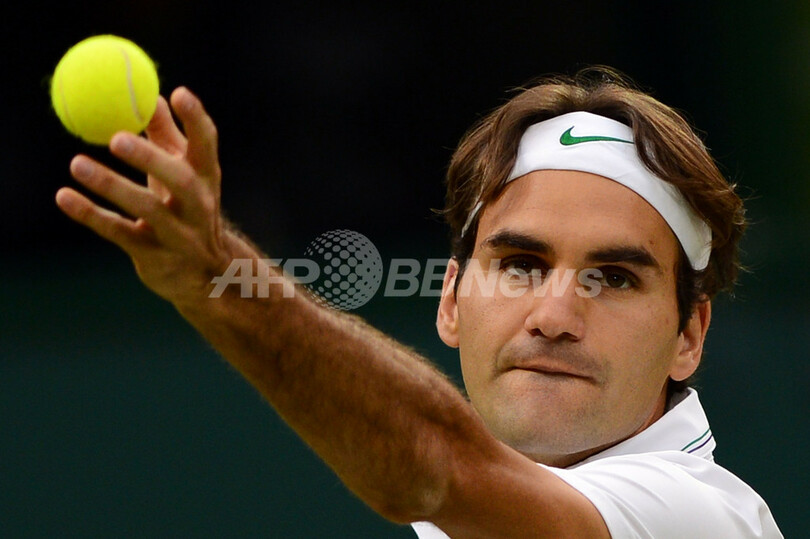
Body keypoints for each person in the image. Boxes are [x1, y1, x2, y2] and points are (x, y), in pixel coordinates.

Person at [55, 67, 783, 537]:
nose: (554, 317)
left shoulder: (699, 516)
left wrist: (219, 278)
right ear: (451, 302)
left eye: (616, 278)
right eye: (520, 265)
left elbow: (439, 465)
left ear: (690, 334)